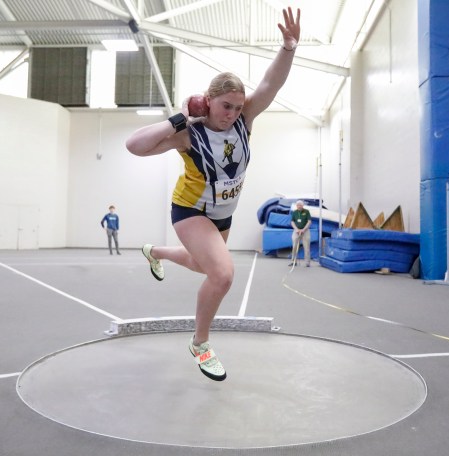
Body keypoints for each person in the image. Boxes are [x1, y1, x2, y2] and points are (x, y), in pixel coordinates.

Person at [125, 7, 301, 382]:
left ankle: (154, 252)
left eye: (239, 107)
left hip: (223, 214)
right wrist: (179, 118)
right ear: (208, 100)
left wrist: (288, 48)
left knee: (199, 265)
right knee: (222, 274)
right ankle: (201, 344)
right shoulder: (189, 134)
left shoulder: (244, 122)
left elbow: (271, 84)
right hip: (190, 210)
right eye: (226, 107)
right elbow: (134, 146)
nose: (233, 114)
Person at [290, 200, 312, 267]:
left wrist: (303, 229)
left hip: (305, 231)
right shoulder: (294, 212)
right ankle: (293, 261)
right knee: (294, 246)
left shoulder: (306, 212)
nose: (299, 206)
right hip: (296, 231)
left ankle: (307, 262)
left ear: (303, 205)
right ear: (296, 206)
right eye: (298, 205)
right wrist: (296, 229)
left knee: (306, 247)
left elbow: (309, 221)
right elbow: (292, 222)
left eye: (300, 205)